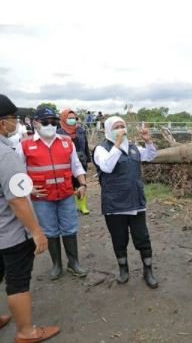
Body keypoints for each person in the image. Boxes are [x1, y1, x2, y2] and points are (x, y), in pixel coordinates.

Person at [0, 94, 60, 342]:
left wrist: (25, 188)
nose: (16, 124)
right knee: (17, 280)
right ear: (3, 123)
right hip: (10, 232)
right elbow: (15, 199)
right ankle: (26, 331)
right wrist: (36, 231)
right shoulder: (5, 154)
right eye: (14, 119)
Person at [17, 107, 88, 281]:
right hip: (42, 198)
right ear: (35, 123)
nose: (50, 125)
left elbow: (76, 166)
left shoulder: (66, 142)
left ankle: (73, 262)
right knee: (50, 231)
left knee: (70, 228)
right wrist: (28, 188)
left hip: (65, 194)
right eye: (46, 122)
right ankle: (56, 264)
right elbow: (17, 172)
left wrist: (83, 183)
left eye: (54, 122)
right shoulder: (25, 145)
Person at [93, 116, 158, 289]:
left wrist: (148, 142)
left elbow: (150, 156)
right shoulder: (101, 149)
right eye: (116, 127)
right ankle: (123, 269)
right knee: (119, 239)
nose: (120, 129)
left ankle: (148, 270)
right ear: (108, 130)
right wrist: (117, 144)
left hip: (136, 202)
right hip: (114, 204)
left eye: (122, 126)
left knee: (142, 237)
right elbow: (107, 166)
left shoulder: (133, 147)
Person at [57, 109, 91, 215]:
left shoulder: (80, 130)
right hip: (66, 162)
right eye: (69, 118)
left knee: (81, 183)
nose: (72, 120)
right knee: (69, 184)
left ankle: (83, 206)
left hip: (81, 160)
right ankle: (73, 206)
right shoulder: (59, 132)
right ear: (63, 119)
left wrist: (88, 159)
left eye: (73, 118)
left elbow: (85, 144)